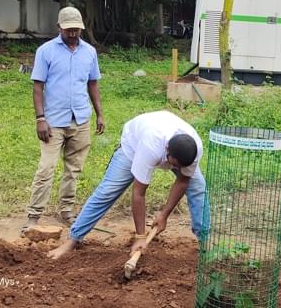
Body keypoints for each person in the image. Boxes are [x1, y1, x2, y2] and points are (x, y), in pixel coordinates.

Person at [47, 110, 208, 259]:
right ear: (167, 151)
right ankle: (73, 240)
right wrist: (140, 236)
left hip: (163, 132)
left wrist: (164, 215)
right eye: (174, 165)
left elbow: (183, 181)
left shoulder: (194, 150)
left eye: (181, 167)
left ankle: (205, 243)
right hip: (133, 144)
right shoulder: (151, 146)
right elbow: (139, 193)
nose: (177, 170)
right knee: (108, 191)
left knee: (198, 188)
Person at [23, 6, 105, 233]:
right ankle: (34, 215)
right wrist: (40, 118)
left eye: (76, 29)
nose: (72, 33)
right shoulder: (45, 51)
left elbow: (93, 84)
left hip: (80, 119)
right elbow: (38, 86)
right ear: (59, 27)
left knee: (74, 169)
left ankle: (67, 211)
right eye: (68, 29)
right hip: (53, 121)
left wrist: (99, 114)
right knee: (46, 168)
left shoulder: (89, 52)